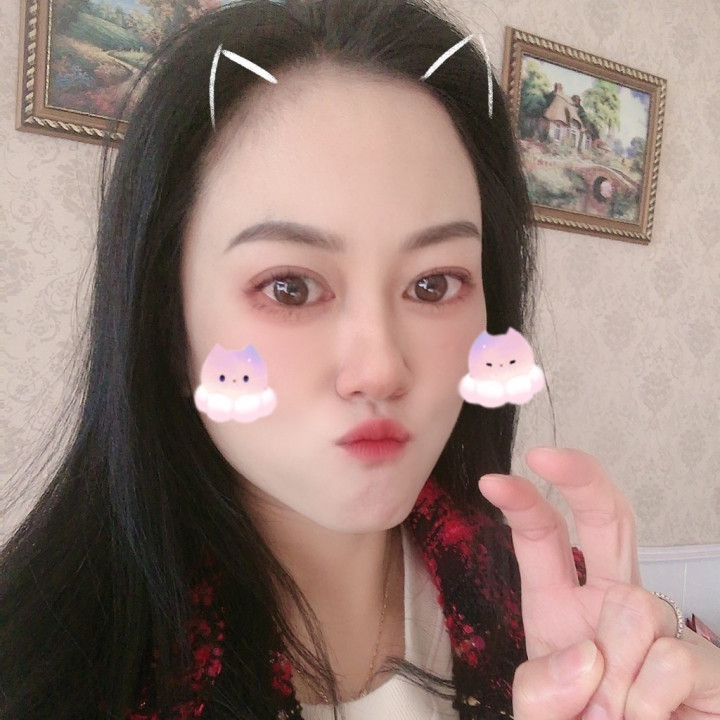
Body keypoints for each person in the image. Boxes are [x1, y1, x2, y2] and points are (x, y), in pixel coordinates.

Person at [1, 0, 718, 718]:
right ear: (166, 314)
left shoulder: (562, 618)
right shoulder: (39, 671)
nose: (379, 370)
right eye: (289, 287)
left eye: (434, 285)